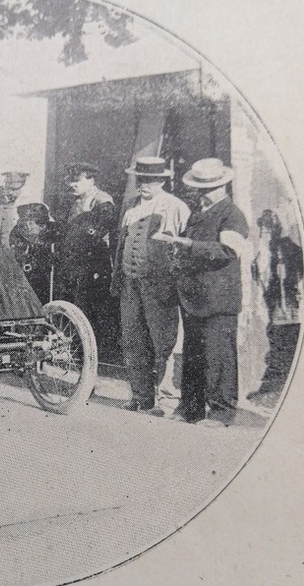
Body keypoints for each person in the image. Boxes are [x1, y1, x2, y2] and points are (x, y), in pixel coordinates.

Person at [168, 157, 249, 426]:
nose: (203, 193)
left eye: (209, 188)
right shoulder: (198, 213)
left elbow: (229, 251)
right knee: (193, 354)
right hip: (195, 297)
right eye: (200, 188)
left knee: (219, 357)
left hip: (218, 298)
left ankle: (222, 413)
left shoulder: (232, 214)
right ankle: (190, 408)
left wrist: (189, 245)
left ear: (223, 186)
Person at [110, 157, 190, 413]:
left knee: (163, 342)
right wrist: (117, 279)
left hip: (160, 286)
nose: (145, 185)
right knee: (133, 339)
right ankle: (141, 396)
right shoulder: (131, 207)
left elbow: (186, 247)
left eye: (151, 180)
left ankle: (166, 400)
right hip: (130, 284)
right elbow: (121, 244)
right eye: (141, 179)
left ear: (162, 181)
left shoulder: (175, 207)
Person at [55, 162, 117, 336]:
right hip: (73, 263)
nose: (71, 185)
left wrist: (84, 233)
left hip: (93, 264)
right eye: (70, 180)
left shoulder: (102, 201)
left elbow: (103, 227)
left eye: (77, 180)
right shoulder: (73, 201)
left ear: (91, 181)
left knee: (91, 307)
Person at [9, 201, 56, 304]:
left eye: (31, 222)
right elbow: (16, 252)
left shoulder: (55, 231)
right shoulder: (17, 231)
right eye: (24, 221)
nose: (28, 226)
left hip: (49, 279)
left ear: (42, 223)